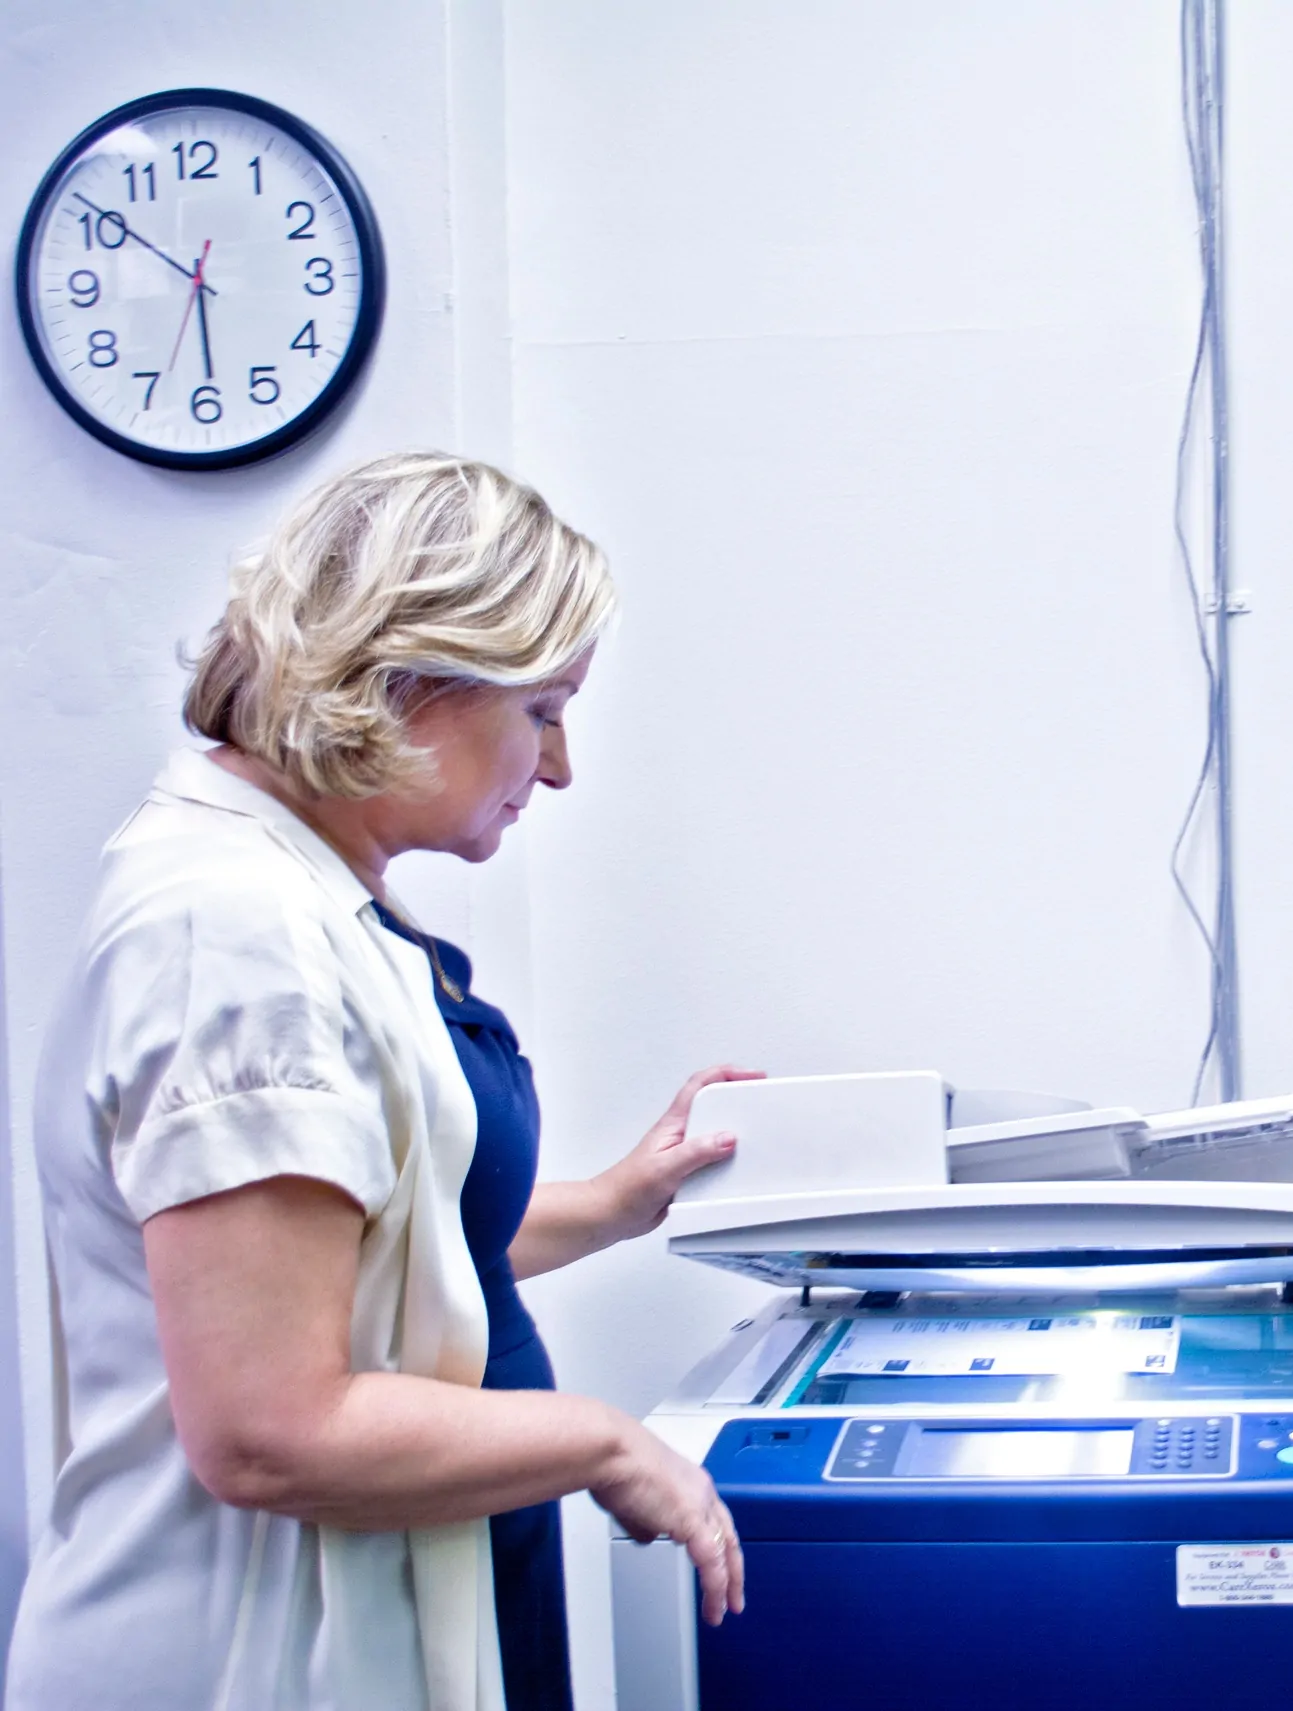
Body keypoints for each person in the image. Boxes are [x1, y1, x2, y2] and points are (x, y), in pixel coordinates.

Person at [7, 453, 751, 1711]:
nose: (558, 766)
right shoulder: (232, 936)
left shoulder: (302, 890)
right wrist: (602, 1437)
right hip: (256, 1656)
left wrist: (623, 1198)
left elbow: (376, 1257)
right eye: (545, 708)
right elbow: (269, 1425)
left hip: (403, 1596)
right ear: (411, 676)